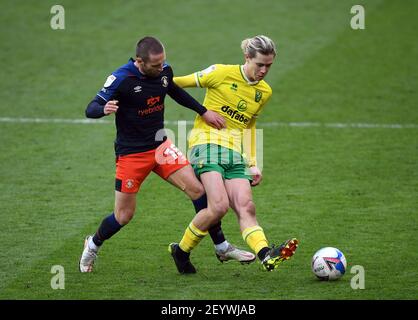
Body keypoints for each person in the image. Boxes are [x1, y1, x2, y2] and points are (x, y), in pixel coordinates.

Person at [79, 36, 255, 273]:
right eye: (156, 65)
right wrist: (104, 109)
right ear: (140, 62)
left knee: (199, 192)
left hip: (161, 147)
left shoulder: (163, 72)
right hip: (132, 155)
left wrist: (203, 111)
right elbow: (90, 108)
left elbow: (173, 90)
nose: (162, 68)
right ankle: (92, 244)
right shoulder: (121, 79)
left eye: (163, 63)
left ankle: (221, 245)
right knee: (124, 215)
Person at [169, 35, 299, 274]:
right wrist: (203, 110)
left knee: (246, 206)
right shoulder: (220, 73)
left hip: (234, 154)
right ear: (247, 57)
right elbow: (174, 83)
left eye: (269, 65)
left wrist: (253, 163)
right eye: (260, 64)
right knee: (218, 207)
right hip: (205, 144)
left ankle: (265, 255)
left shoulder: (264, 92)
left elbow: (248, 125)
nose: (264, 70)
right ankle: (182, 251)